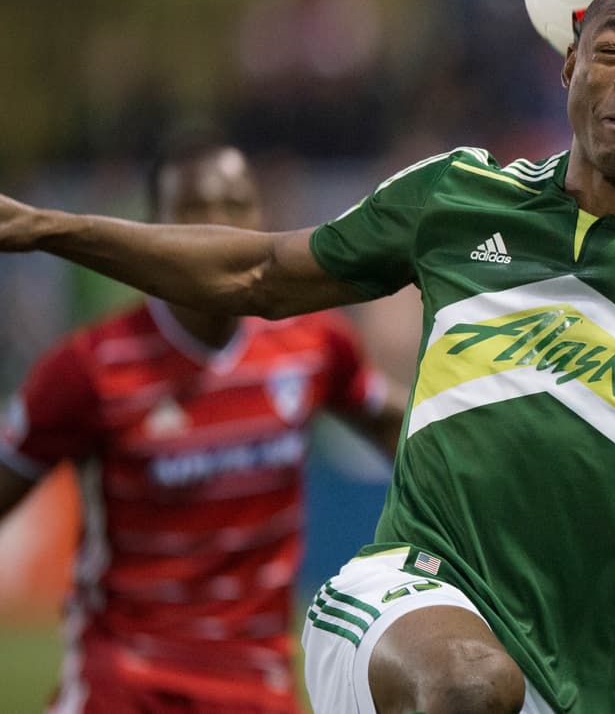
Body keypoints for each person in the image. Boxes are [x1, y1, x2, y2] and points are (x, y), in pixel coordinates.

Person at [0, 0, 615, 714]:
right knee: (465, 684)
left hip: (570, 674)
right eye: (612, 50)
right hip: (399, 600)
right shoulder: (458, 199)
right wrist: (50, 228)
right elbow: (255, 271)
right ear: (568, 68)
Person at [0, 133, 405, 713]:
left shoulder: (313, 344)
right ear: (149, 231)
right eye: (192, 210)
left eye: (237, 206)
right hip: (127, 677)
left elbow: (403, 431)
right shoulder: (92, 367)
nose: (218, 228)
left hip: (256, 679)